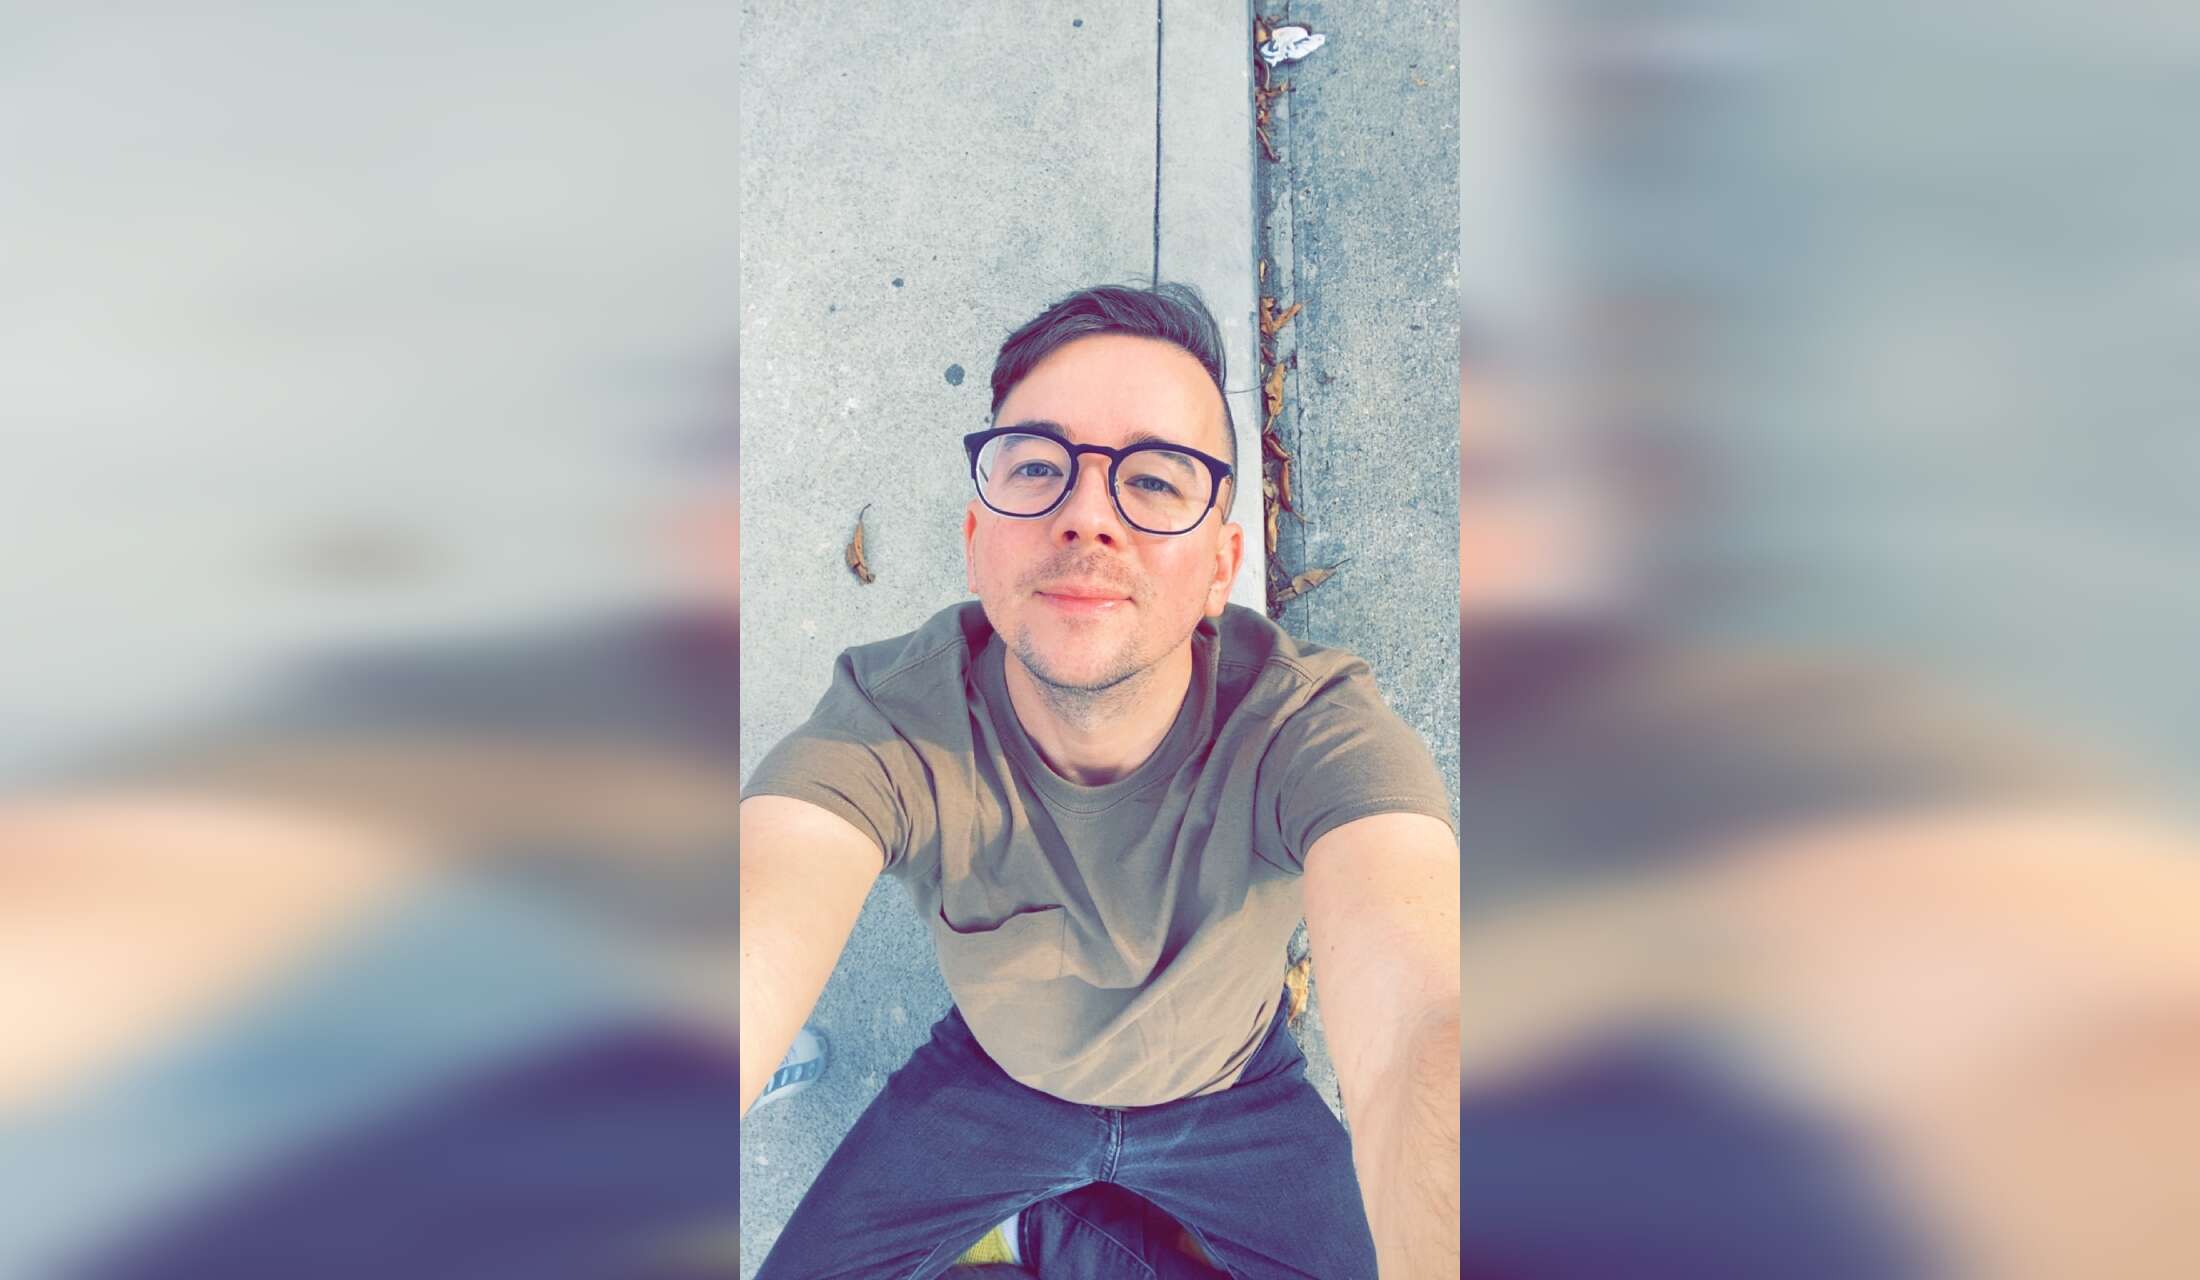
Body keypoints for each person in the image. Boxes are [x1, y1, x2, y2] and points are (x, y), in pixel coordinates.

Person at [740, 283, 1461, 1280]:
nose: (1086, 515)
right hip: (993, 1081)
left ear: (1221, 566)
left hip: (1232, 1094)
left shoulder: (1308, 727)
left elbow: (1421, 1020)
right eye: (1038, 466)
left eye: (1155, 481)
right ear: (976, 540)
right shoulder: (893, 722)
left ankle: (1043, 1233)